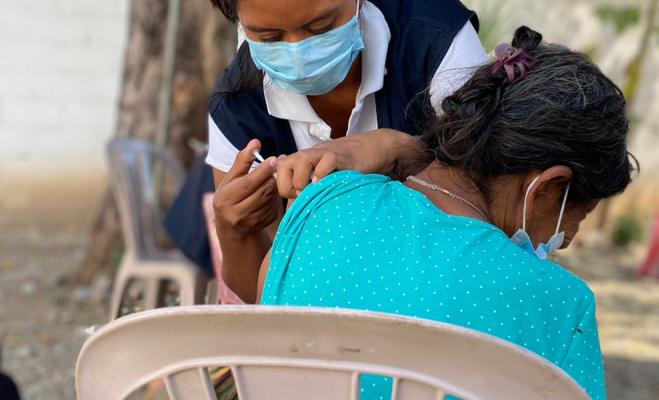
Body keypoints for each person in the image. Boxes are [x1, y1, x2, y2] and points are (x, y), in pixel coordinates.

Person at [248, 27, 635, 400]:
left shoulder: (320, 203)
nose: (560, 244)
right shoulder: (559, 303)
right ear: (549, 186)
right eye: (571, 223)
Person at [201, 0, 489, 303]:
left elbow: (492, 202)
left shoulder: (436, 41)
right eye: (269, 37)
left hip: (446, 299)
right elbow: (265, 301)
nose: (299, 53)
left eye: (321, 27)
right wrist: (236, 233)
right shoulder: (236, 108)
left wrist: (399, 150)